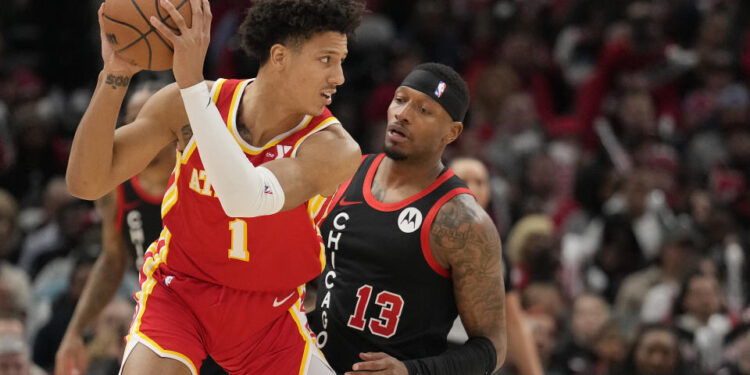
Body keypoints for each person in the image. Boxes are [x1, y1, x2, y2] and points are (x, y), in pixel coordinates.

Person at [65, 0, 364, 374]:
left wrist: (191, 86)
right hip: (180, 294)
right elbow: (85, 183)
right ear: (280, 56)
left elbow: (245, 197)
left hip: (267, 317)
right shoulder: (184, 104)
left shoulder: (334, 147)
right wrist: (115, 74)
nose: (339, 77)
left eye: (340, 61)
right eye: (326, 60)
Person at [308, 63, 506, 374]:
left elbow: (491, 348)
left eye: (424, 110)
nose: (403, 114)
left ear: (451, 133)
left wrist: (412, 371)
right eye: (400, 100)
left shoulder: (462, 222)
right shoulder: (345, 172)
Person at [56, 82, 228, 375]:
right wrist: (75, 330)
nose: (138, 128)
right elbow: (112, 261)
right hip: (164, 317)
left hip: (222, 315)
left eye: (147, 117)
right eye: (131, 120)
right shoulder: (115, 189)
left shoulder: (207, 173)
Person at [449, 157, 543, 375]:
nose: (472, 188)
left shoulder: (496, 249)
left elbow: (513, 320)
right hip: (428, 351)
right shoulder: (422, 231)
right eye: (463, 179)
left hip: (474, 355)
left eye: (480, 182)